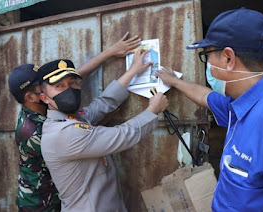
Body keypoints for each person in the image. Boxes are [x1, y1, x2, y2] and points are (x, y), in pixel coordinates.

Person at [156, 8, 263, 212]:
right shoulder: (241, 104)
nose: (209, 67)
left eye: (207, 55)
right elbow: (206, 96)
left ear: (228, 59)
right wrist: (174, 82)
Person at [8, 32, 141, 211]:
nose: (60, 88)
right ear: (33, 96)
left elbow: (75, 77)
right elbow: (85, 135)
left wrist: (110, 52)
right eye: (45, 84)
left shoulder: (46, 105)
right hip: (42, 202)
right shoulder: (35, 129)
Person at [37, 49, 168, 211]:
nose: (69, 89)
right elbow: (121, 136)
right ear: (44, 98)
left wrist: (133, 71)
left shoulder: (71, 118)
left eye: (73, 83)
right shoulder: (64, 132)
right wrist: (153, 110)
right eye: (59, 86)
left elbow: (103, 104)